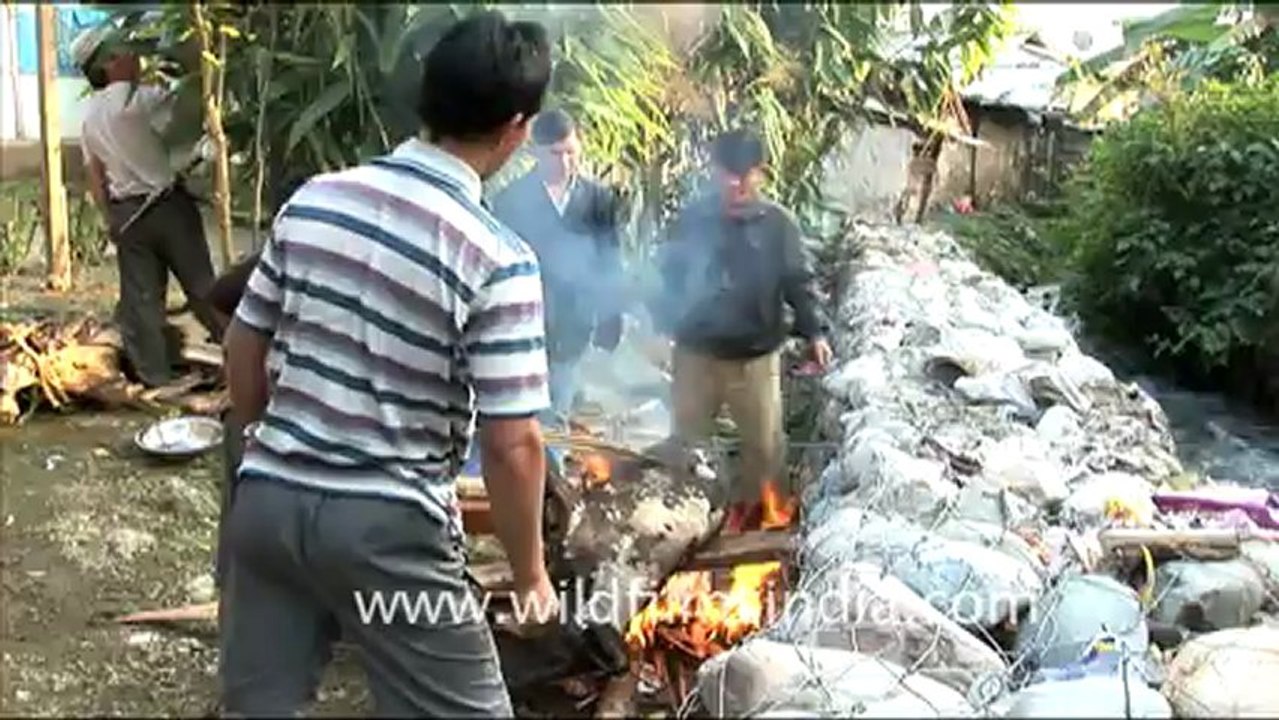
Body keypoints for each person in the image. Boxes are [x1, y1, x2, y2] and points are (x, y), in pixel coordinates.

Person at [218, 11, 556, 717]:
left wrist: (258, 444)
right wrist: (530, 575)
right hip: (389, 528)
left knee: (259, 709)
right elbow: (512, 444)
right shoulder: (496, 258)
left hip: (267, 507)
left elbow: (243, 345)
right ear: (517, 128)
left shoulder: (317, 200)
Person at [650, 128, 833, 533]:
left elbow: (798, 280)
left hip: (755, 357)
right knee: (685, 444)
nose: (735, 183)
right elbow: (668, 275)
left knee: (764, 451)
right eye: (726, 174)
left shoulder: (778, 225)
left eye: (744, 175)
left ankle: (759, 532)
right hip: (695, 354)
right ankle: (679, 525)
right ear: (714, 172)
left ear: (760, 174)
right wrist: (661, 327)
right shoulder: (692, 218)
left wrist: (815, 333)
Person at [71, 24, 223, 388]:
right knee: (202, 287)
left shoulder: (90, 116)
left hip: (127, 214)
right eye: (127, 51)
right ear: (108, 64)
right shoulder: (144, 100)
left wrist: (110, 217)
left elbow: (95, 174)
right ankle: (238, 347)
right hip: (168, 207)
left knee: (142, 301)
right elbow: (188, 122)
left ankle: (154, 377)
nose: (136, 57)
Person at [490, 108, 625, 430]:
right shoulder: (511, 201)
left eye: (570, 153)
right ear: (535, 151)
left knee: (557, 404)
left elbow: (610, 257)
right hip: (525, 319)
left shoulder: (598, 200)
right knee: (523, 411)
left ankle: (551, 472)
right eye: (554, 154)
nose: (564, 162)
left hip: (574, 322)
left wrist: (611, 315)